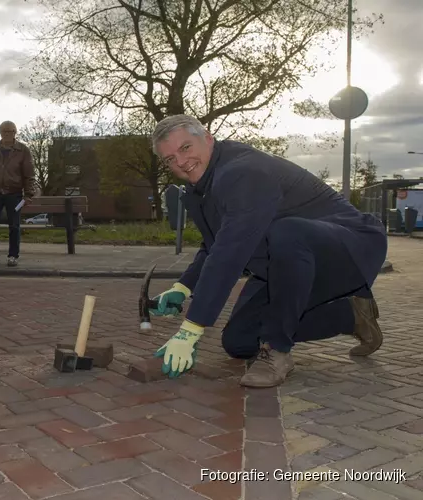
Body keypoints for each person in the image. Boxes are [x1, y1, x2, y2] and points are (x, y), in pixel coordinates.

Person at [148, 114, 387, 388]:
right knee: (238, 340)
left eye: (186, 148)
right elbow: (217, 243)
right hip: (287, 263)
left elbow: (229, 253)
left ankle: (277, 351)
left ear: (208, 139)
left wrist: (190, 330)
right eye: (169, 159)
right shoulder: (201, 189)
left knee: (286, 232)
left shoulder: (241, 172)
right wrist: (183, 287)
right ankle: (351, 315)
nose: (180, 161)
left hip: (350, 248)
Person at [0, 120, 36, 267]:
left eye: (10, 131)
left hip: (14, 194)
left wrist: (28, 194)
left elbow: (29, 174)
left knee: (14, 226)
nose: (7, 134)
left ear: (15, 132)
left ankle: (13, 256)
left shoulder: (23, 150)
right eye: (4, 131)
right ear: (0, 133)